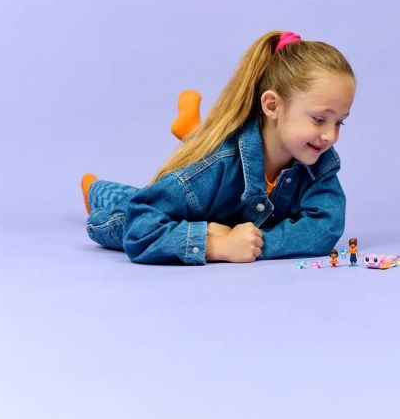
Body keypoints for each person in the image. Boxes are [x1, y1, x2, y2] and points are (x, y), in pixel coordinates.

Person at [81, 30, 355, 265]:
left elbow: (325, 227)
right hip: (183, 207)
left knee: (146, 196)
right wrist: (216, 245)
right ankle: (94, 189)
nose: (330, 136)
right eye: (319, 119)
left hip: (206, 208)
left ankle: (191, 131)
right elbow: (139, 228)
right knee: (124, 215)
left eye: (339, 122)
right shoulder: (217, 167)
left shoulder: (320, 163)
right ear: (272, 106)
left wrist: (256, 244)